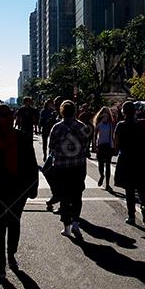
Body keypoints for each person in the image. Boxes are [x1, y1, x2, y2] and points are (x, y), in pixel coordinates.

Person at [0, 105, 38, 282]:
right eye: (5, 115)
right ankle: (1, 268)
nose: (10, 118)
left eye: (11, 114)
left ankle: (11, 254)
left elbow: (32, 164)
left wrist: (33, 187)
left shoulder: (23, 138)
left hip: (17, 190)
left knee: (14, 223)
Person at [47, 100, 90, 239]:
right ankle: (76, 222)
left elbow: (51, 146)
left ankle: (67, 227)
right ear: (75, 111)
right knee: (77, 195)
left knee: (64, 197)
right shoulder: (82, 126)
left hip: (61, 166)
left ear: (62, 112)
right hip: (78, 166)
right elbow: (85, 145)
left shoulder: (57, 127)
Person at [114, 101, 145, 225]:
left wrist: (118, 149)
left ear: (123, 112)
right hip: (139, 158)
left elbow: (116, 143)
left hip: (126, 159)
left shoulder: (120, 125)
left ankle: (131, 216)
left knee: (129, 189)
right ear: (135, 111)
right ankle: (144, 206)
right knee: (142, 187)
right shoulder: (142, 124)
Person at [91, 107, 116, 191]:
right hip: (100, 146)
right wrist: (94, 146)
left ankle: (107, 184)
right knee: (101, 164)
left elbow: (113, 136)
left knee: (108, 165)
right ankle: (102, 175)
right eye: (104, 113)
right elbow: (95, 135)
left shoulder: (111, 124)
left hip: (108, 146)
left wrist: (114, 146)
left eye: (107, 113)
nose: (105, 114)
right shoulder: (99, 123)